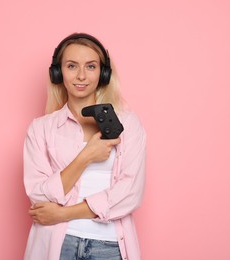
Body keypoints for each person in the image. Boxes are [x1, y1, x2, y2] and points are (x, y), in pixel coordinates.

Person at [23, 33, 146, 260]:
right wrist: (85, 156)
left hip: (108, 247)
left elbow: (130, 192)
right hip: (57, 245)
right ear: (58, 73)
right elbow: (39, 196)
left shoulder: (127, 123)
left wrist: (63, 213)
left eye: (91, 66)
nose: (81, 76)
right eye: (71, 66)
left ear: (103, 73)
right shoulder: (41, 129)